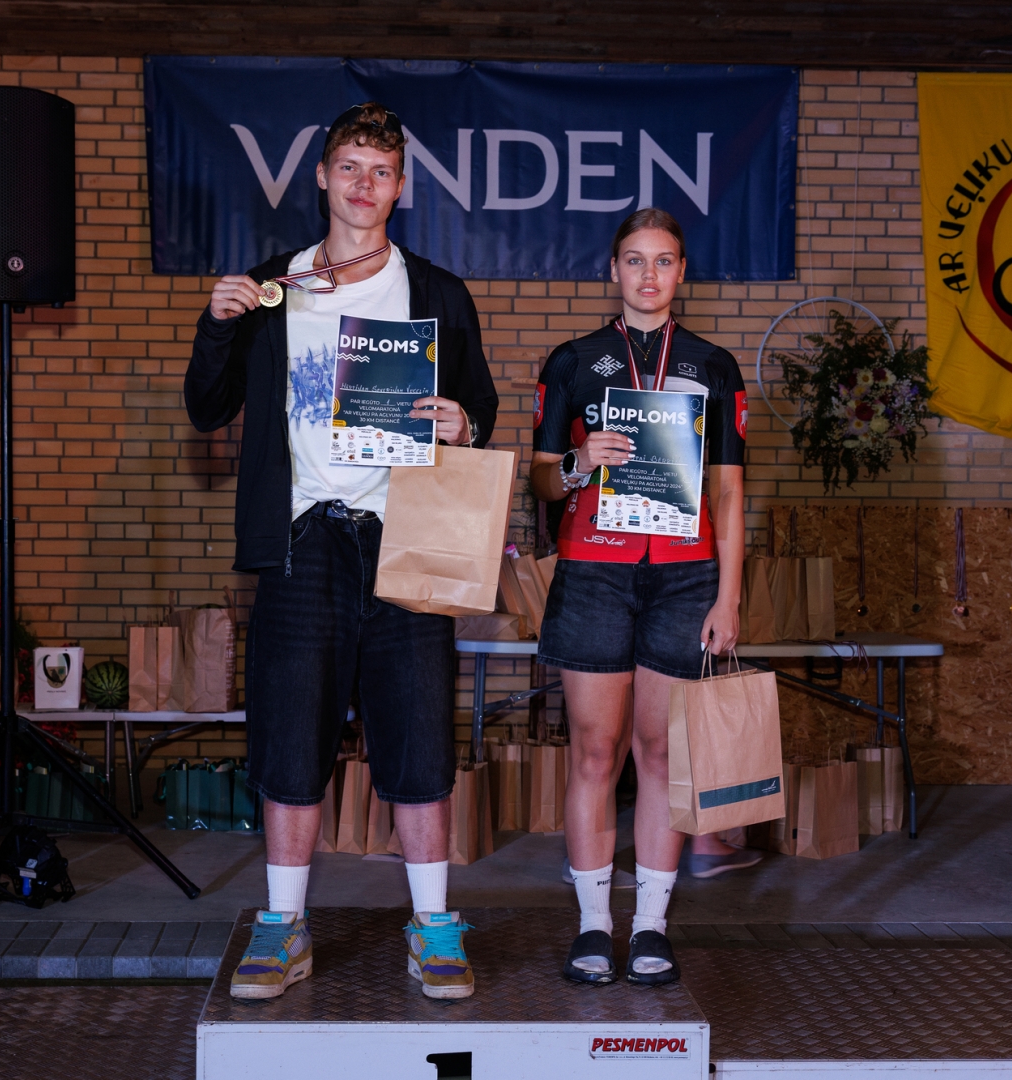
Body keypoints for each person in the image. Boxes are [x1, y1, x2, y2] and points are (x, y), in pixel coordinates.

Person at [184, 103, 498, 1000]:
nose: (365, 184)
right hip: (300, 541)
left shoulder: (437, 294)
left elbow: (479, 404)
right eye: (350, 167)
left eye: (382, 171)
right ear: (321, 177)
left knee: (421, 735)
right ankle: (282, 927)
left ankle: (434, 927)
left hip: (406, 537)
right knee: (290, 737)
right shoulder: (268, 288)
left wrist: (464, 422)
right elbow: (206, 408)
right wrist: (215, 323)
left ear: (401, 188)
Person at [529, 208, 750, 986]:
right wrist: (578, 461)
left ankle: (651, 926)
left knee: (661, 753)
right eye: (634, 259)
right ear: (613, 269)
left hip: (685, 576)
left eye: (663, 261)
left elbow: (730, 489)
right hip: (596, 571)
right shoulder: (574, 361)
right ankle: (593, 926)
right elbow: (540, 478)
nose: (648, 274)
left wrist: (729, 595)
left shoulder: (714, 365)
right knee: (596, 751)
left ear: (681, 272)